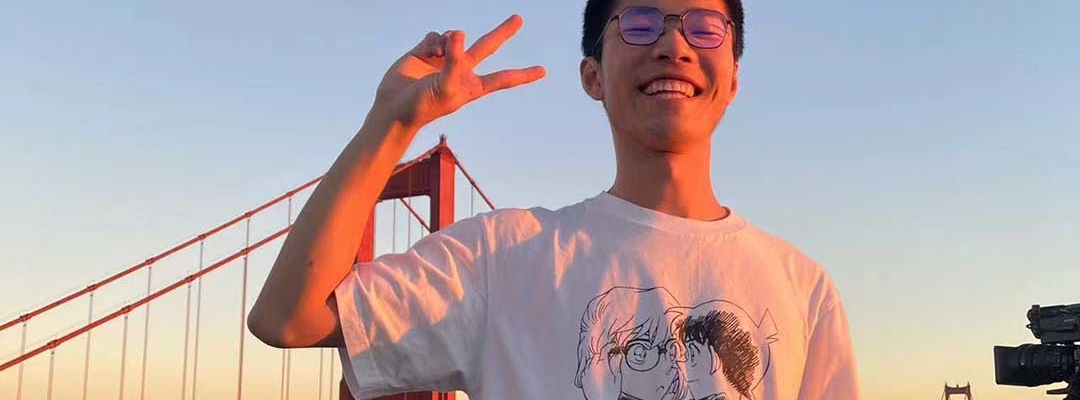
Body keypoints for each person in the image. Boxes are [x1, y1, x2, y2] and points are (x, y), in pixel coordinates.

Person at [248, 0, 861, 399]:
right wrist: (389, 125)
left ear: (731, 78)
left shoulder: (803, 290)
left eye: (703, 26)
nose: (674, 46)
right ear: (591, 76)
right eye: (640, 22)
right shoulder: (500, 258)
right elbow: (289, 318)